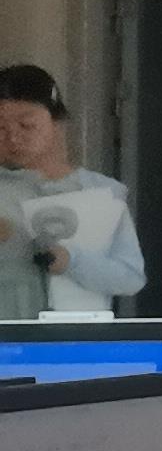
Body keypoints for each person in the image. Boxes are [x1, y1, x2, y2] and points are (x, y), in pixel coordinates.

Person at [0, 65, 145, 313]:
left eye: (26, 125)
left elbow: (130, 277)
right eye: (1, 128)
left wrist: (72, 262)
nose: (13, 138)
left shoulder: (101, 192)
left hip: (77, 333)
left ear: (57, 122)